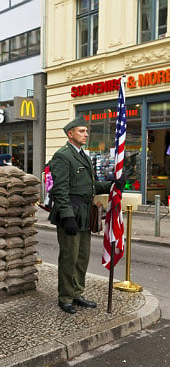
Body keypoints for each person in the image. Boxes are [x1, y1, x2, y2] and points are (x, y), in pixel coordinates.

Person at [48, 116, 123, 314]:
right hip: (70, 214)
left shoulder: (83, 156)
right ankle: (65, 297)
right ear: (70, 133)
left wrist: (111, 185)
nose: (86, 134)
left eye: (86, 131)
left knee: (82, 257)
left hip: (84, 214)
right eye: (82, 131)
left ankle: (77, 293)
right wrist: (67, 216)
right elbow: (60, 190)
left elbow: (91, 187)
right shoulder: (62, 156)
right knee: (69, 257)